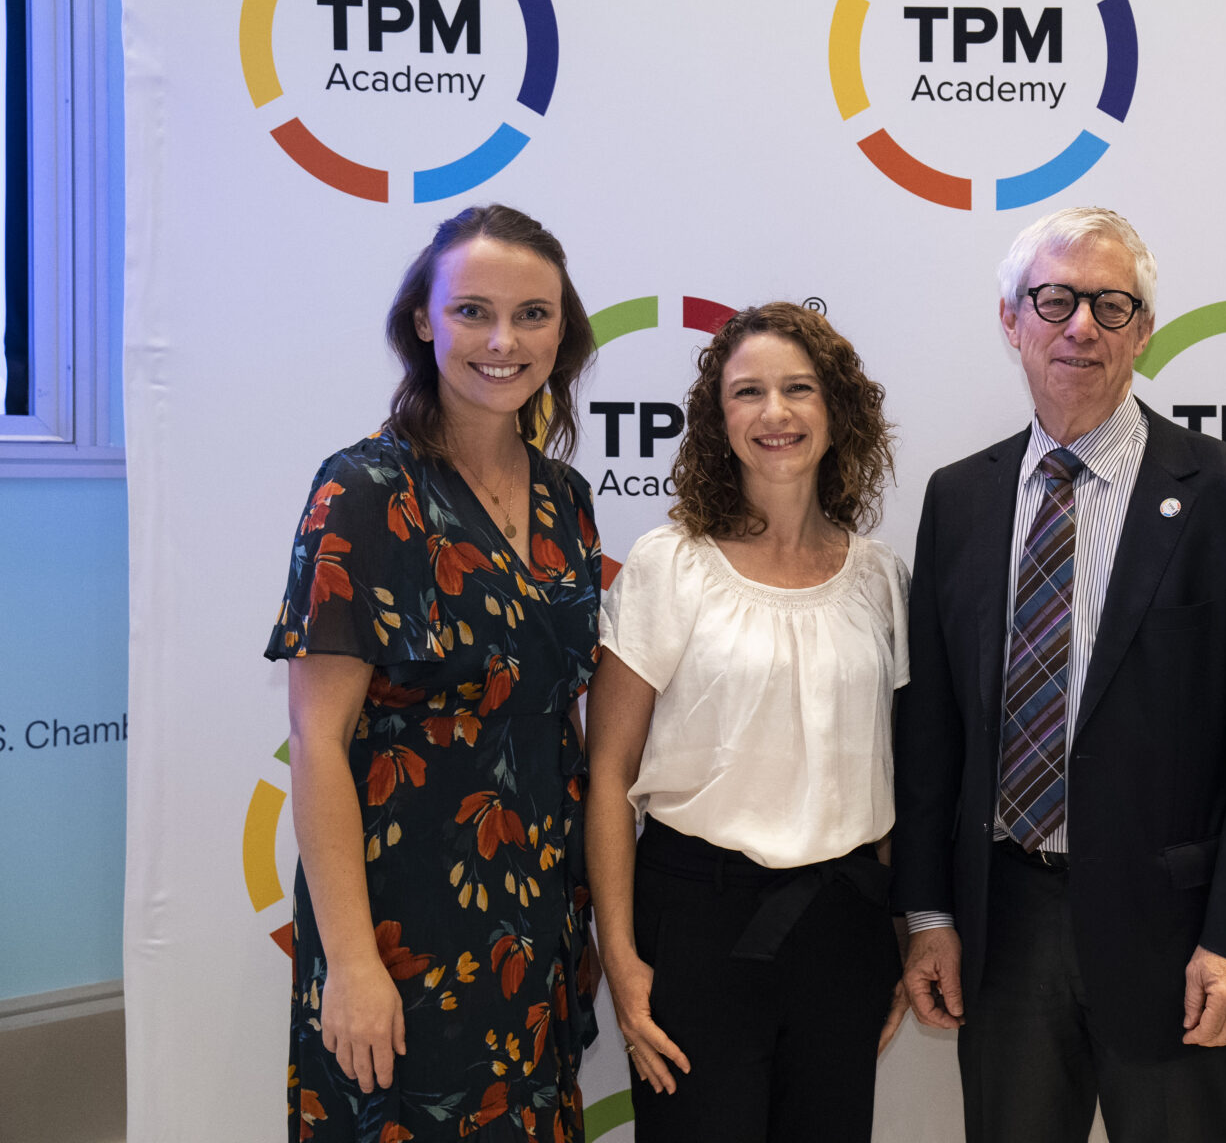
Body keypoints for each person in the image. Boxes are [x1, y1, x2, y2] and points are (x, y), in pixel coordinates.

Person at [892, 207, 1226, 1143]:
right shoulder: (958, 499)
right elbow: (932, 731)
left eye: (1111, 304)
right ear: (1012, 320)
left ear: (1144, 330)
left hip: (1179, 939)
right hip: (1002, 926)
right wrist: (928, 910)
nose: (1081, 325)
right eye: (1055, 300)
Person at [268, 205, 603, 1141]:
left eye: (534, 314)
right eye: (473, 312)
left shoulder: (568, 500)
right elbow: (317, 741)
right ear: (424, 320)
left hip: (535, 921)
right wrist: (351, 963)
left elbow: (558, 719)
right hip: (400, 927)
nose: (504, 340)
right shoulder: (364, 491)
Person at [585, 302, 910, 1143]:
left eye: (799, 389)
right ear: (716, 420)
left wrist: (899, 937)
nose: (776, 414)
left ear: (837, 412)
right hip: (697, 926)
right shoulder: (670, 564)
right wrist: (620, 960)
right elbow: (610, 777)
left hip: (843, 929)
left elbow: (892, 774)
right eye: (748, 393)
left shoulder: (881, 580)